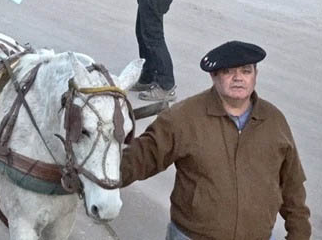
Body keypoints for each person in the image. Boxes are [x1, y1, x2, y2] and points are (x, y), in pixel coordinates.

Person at [121, 41, 310, 240]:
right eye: (229, 72)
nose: (238, 78)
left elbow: (293, 187)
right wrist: (98, 173)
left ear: (256, 75)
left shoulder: (274, 121)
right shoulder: (184, 117)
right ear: (214, 76)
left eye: (246, 71)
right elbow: (141, 157)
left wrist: (299, 234)